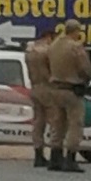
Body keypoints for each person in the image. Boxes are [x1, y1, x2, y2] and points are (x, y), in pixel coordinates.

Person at [47, 19, 91, 173]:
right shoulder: (75, 47)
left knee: (57, 123)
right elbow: (85, 69)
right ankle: (71, 158)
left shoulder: (53, 46)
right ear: (75, 31)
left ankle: (55, 157)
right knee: (75, 124)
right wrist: (86, 81)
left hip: (55, 88)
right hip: (72, 90)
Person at [24, 29, 55, 168]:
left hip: (35, 87)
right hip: (48, 88)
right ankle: (56, 154)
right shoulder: (48, 52)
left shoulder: (30, 52)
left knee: (38, 122)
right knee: (55, 122)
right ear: (48, 37)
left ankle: (38, 154)